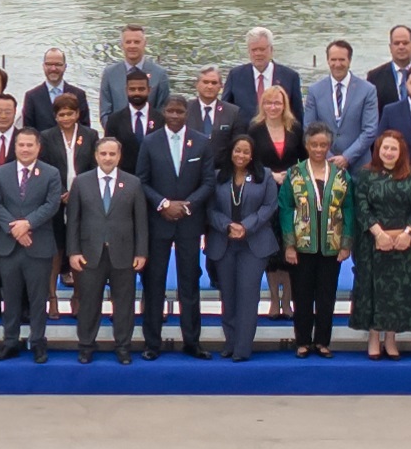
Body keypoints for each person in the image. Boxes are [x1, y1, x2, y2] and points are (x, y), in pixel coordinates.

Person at [137, 98, 213, 357]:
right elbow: (142, 181)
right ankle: (152, 343)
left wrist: (187, 205)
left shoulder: (202, 142)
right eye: (170, 111)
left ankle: (192, 341)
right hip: (158, 222)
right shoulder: (150, 141)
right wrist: (164, 204)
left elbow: (208, 182)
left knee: (189, 283)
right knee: (154, 283)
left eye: (179, 111)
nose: (174, 115)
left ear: (187, 113)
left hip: (189, 222)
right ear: (163, 113)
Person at [63, 136, 146, 364]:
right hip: (90, 254)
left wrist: (141, 252)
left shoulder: (133, 183)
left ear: (119, 156)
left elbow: (140, 222)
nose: (107, 158)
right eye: (103, 154)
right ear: (96, 156)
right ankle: (86, 345)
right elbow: (73, 221)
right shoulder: (81, 182)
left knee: (124, 304)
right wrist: (73, 252)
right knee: (89, 303)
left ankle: (123, 346)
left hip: (124, 255)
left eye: (112, 154)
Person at [202, 132, 280, 362]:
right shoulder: (217, 177)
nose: (241, 155)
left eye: (246, 151)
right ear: (231, 152)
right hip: (223, 242)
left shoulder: (264, 176)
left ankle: (243, 348)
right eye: (238, 150)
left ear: (252, 154)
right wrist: (227, 226)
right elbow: (210, 210)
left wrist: (246, 226)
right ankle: (230, 342)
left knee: (247, 295)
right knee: (228, 295)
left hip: (253, 244)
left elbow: (269, 206)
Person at [0, 126, 63, 363]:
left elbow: (52, 205)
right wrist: (15, 228)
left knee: (38, 298)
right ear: (15, 147)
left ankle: (38, 342)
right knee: (10, 297)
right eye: (21, 145)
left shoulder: (51, 173)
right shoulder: (1, 172)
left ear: (38, 147)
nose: (25, 149)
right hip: (9, 246)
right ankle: (10, 341)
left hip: (38, 246)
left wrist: (28, 224)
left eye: (30, 145)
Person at [349, 129, 411, 361]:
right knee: (373, 290)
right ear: (378, 150)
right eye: (385, 148)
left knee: (396, 292)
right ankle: (373, 337)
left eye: (393, 148)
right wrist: (378, 233)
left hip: (404, 244)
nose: (389, 152)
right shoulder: (365, 175)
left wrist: (407, 233)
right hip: (372, 243)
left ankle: (391, 338)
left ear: (401, 151)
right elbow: (361, 206)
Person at [277, 125, 351, 358]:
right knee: (302, 294)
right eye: (314, 145)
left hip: (331, 246)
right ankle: (302, 341)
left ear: (329, 146)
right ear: (307, 146)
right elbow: (285, 208)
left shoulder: (340, 174)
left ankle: (322, 341)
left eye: (323, 145)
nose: (319, 149)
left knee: (327, 295)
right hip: (302, 245)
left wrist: (346, 243)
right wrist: (289, 244)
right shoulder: (295, 173)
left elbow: (349, 209)